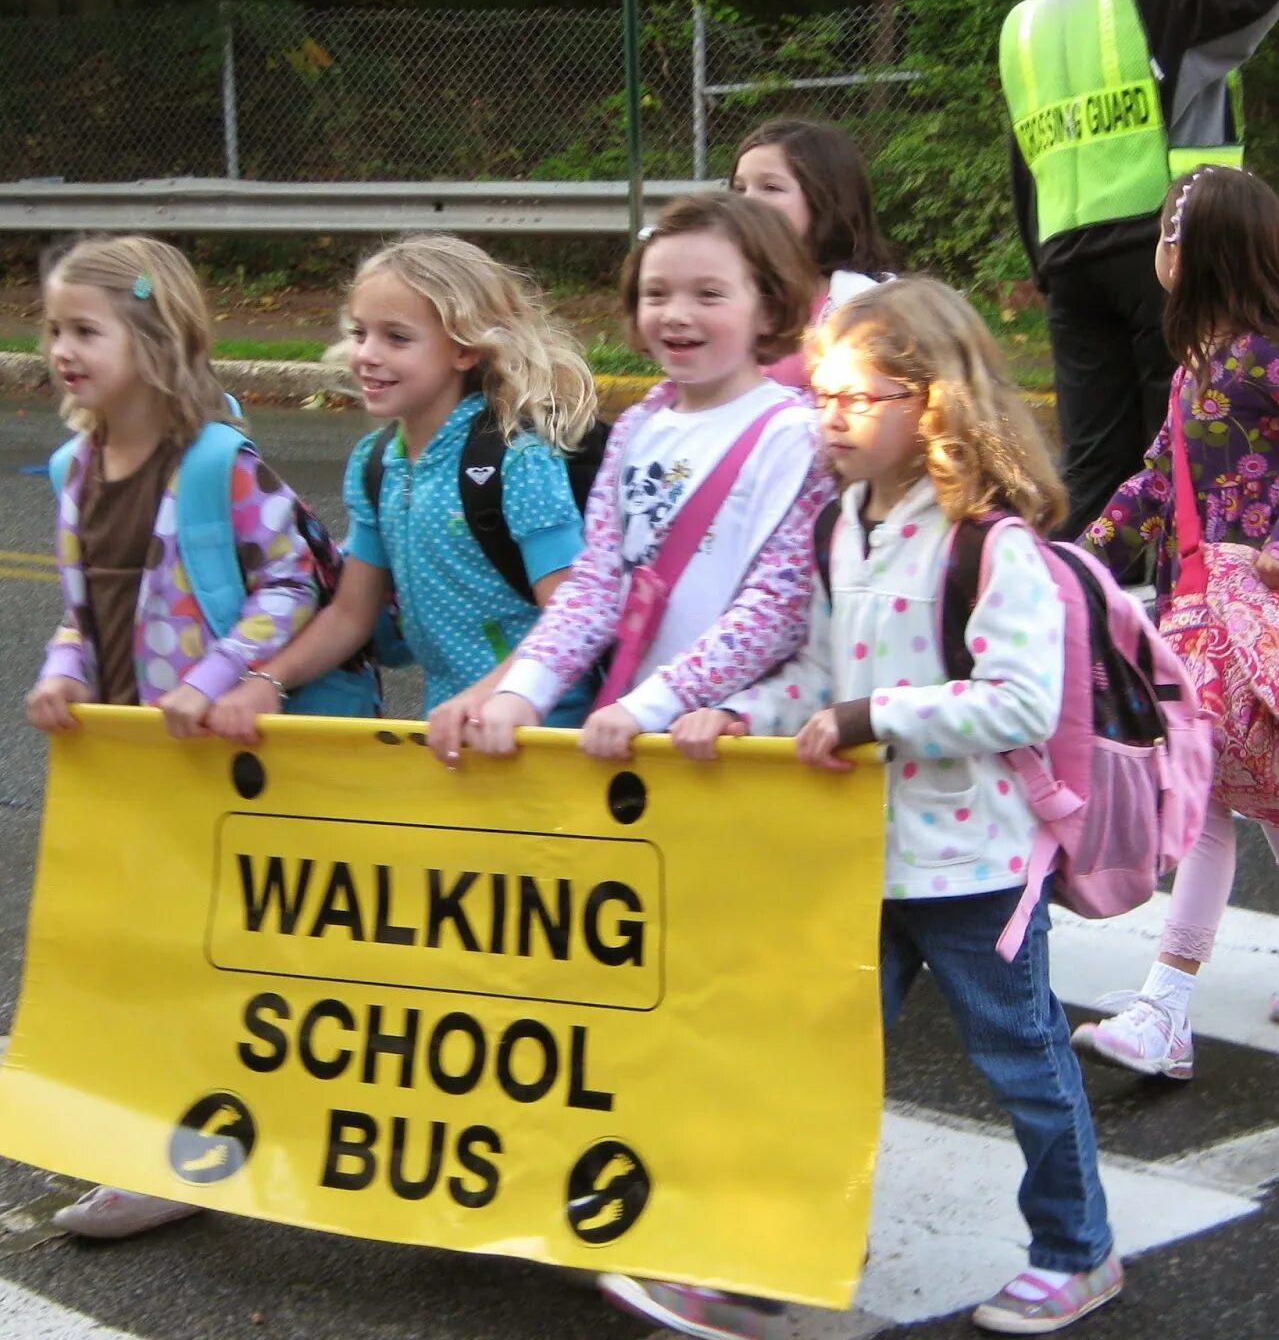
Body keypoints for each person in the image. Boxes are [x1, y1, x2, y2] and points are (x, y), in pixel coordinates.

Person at [609, 277, 1122, 1340]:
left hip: (972, 862)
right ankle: (758, 1270)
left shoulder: (993, 542)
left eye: (854, 396)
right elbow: (816, 667)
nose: (824, 415)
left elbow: (1017, 699)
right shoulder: (844, 524)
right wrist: (743, 714)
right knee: (815, 1061)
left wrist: (866, 717)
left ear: (931, 402)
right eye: (821, 392)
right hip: (858, 853)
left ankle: (1079, 1250)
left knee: (1022, 1056)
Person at [26, 235, 330, 1239]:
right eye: (53, 329)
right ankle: (168, 1147)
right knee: (143, 954)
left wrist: (215, 680)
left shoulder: (214, 464)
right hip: (129, 765)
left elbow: (295, 577)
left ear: (153, 338)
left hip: (212, 761)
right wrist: (61, 671)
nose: (62, 348)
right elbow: (86, 606)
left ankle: (199, 1142)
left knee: (210, 954)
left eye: (85, 329)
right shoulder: (75, 465)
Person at [1074, 167, 1279, 1079]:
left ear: (1199, 250)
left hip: (1253, 617)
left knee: (1215, 794)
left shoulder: (1260, 359)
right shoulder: (1200, 367)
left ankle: (1165, 1007)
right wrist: (1077, 560)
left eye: (1170, 231)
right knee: (1255, 777)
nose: (1159, 247)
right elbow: (1153, 480)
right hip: (1200, 613)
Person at [1000, 0, 1279, 546]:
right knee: (1200, 460)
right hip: (1169, 256)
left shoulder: (1023, 25)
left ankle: (1077, 635)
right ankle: (1211, 641)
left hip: (1069, 268)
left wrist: (1045, 267)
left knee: (1095, 478)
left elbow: (1027, 160)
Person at [462, 191, 832, 764]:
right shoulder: (638, 427)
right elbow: (597, 585)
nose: (676, 313)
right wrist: (523, 691)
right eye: (656, 294)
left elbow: (778, 608)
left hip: (746, 740)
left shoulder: (796, 437)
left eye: (709, 294)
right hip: (641, 734)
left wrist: (654, 704)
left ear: (770, 305)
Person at [206, 233, 596, 751]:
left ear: (463, 349)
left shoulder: (518, 460)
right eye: (360, 333)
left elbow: (570, 617)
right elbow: (351, 615)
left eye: (396, 337)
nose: (367, 354)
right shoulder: (376, 465)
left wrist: (490, 698)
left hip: (542, 728)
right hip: (448, 728)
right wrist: (267, 681)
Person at [729, 117, 894, 388]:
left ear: (825, 201)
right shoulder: (725, 294)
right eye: (739, 188)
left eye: (770, 187)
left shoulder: (867, 308)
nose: (746, 202)